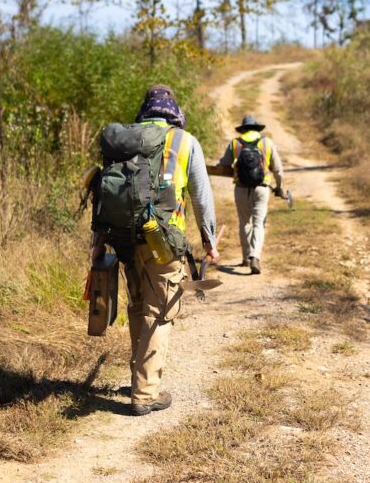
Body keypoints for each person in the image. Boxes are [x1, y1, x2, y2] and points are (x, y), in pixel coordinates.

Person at [92, 84, 219, 416]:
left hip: (123, 236)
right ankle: (146, 394)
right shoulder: (184, 141)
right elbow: (202, 197)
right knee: (161, 312)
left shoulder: (126, 140)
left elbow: (102, 193)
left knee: (138, 306)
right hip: (163, 241)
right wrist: (210, 241)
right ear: (173, 111)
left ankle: (139, 379)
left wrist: (97, 242)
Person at [217, 114, 284, 275]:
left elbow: (223, 165)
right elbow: (278, 169)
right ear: (256, 128)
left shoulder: (235, 144)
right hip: (262, 188)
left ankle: (246, 257)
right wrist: (279, 186)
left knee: (244, 222)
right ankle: (255, 256)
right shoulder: (267, 143)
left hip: (241, 188)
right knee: (259, 223)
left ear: (243, 129)